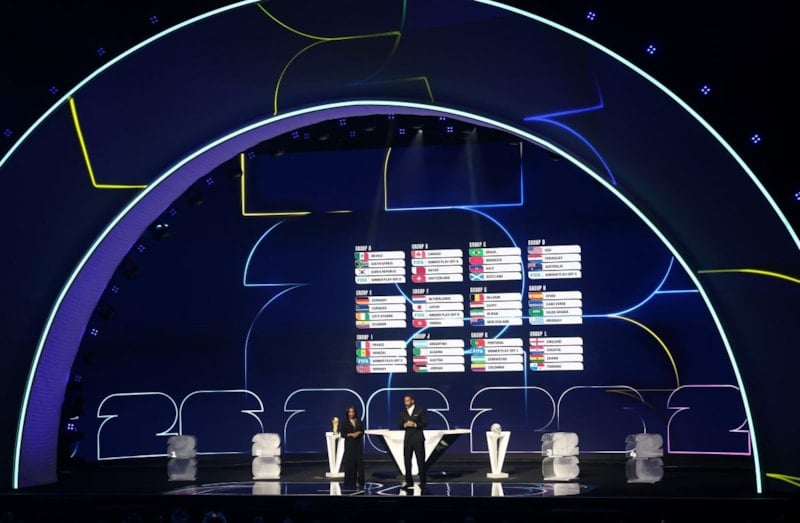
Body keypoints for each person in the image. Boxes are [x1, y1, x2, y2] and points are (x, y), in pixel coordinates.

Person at [399, 394, 427, 488]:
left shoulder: (420, 410)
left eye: (407, 401)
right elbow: (400, 425)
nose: (406, 403)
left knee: (420, 461)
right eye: (405, 401)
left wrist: (415, 424)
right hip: (408, 440)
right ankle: (408, 482)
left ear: (412, 401)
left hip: (418, 439)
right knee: (407, 461)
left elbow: (425, 422)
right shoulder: (403, 412)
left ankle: (423, 481)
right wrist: (405, 425)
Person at [341, 405, 365, 488]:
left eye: (353, 412)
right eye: (350, 412)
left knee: (359, 462)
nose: (351, 413)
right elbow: (342, 434)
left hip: (358, 444)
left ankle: (360, 481)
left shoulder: (358, 420)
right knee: (350, 463)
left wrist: (358, 433)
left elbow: (362, 430)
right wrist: (351, 434)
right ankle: (350, 482)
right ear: (347, 413)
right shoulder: (345, 422)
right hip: (349, 444)